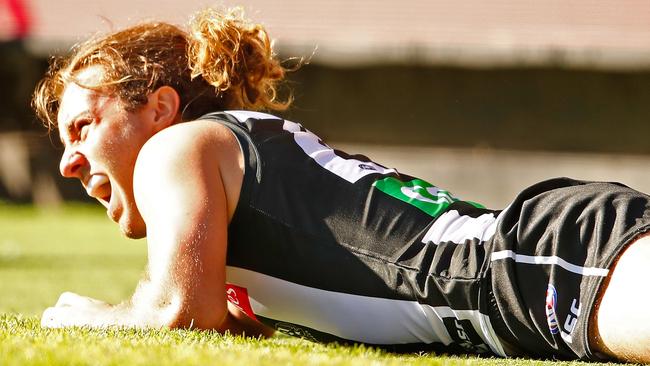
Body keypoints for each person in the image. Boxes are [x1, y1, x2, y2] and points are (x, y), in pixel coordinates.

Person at [32, 7, 650, 363]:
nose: (69, 163)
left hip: (540, 264)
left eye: (82, 127)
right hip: (539, 265)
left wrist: (99, 316)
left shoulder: (177, 146)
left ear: (161, 108)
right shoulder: (227, 164)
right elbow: (211, 318)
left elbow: (177, 313)